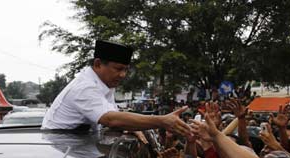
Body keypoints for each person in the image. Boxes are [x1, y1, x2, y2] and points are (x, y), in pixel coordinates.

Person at [42, 40, 190, 135]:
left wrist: (133, 127)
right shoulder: (84, 87)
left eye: (126, 69)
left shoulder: (105, 84)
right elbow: (111, 120)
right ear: (98, 64)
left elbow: (116, 119)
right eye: (118, 69)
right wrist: (162, 121)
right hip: (61, 147)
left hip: (79, 143)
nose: (123, 75)